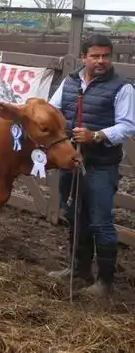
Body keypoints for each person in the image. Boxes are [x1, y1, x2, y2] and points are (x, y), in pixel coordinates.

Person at [47, 34, 135, 297]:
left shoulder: (122, 88)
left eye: (105, 56)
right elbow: (54, 111)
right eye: (95, 56)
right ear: (84, 57)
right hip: (72, 162)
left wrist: (96, 135)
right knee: (75, 216)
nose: (101, 61)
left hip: (100, 165)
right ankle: (78, 269)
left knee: (100, 222)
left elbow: (128, 125)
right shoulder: (70, 82)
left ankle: (104, 282)